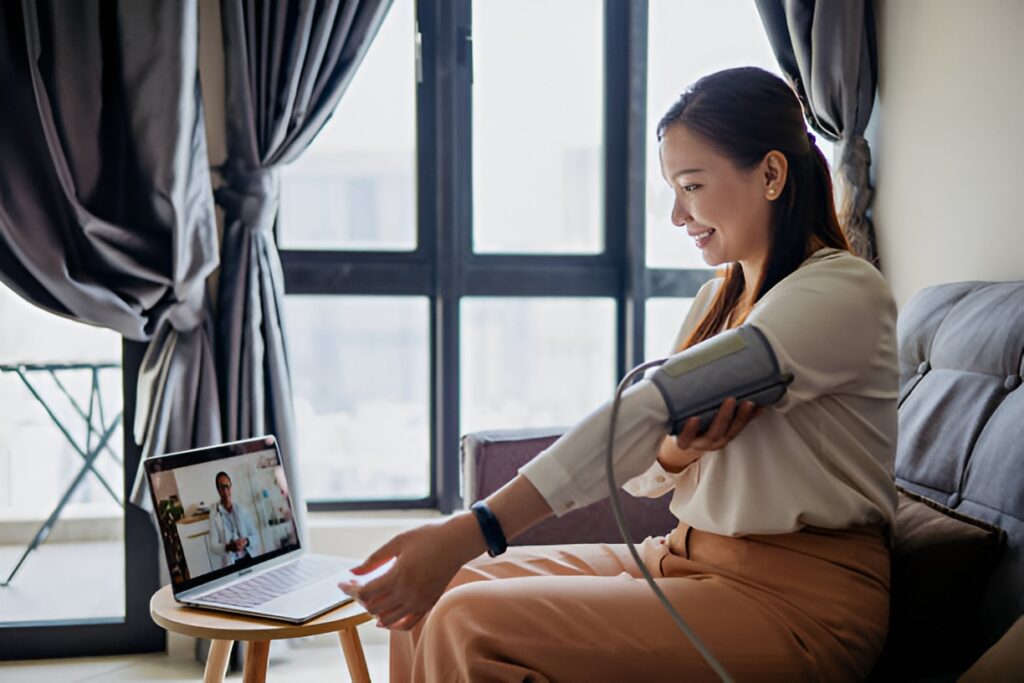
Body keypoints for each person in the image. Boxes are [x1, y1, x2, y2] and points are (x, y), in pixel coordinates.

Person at [340, 66, 899, 682]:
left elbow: (651, 406)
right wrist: (682, 455)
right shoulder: (719, 301)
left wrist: (473, 529)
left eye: (692, 186)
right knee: (439, 600)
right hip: (682, 557)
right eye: (674, 190)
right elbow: (648, 474)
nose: (677, 216)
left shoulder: (842, 292)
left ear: (770, 174)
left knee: (466, 619)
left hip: (798, 602)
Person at [208, 471, 261, 569]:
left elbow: (255, 537)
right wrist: (229, 547)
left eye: (227, 486)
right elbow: (213, 547)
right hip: (231, 563)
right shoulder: (214, 514)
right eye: (222, 487)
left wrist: (246, 541)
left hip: (248, 556)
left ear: (231, 487)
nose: (225, 490)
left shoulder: (241, 509)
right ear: (218, 490)